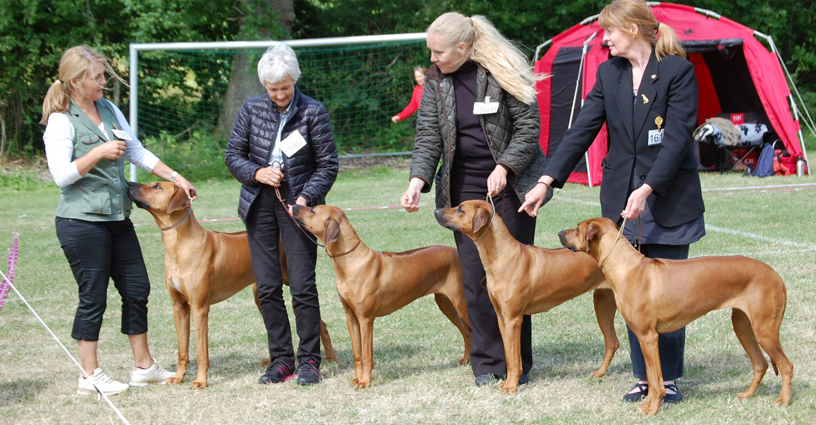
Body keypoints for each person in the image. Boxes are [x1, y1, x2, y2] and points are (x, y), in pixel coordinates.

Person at [520, 0, 705, 403]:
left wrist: (649, 188)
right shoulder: (609, 73)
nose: (604, 39)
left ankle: (668, 379)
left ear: (634, 29)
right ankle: (643, 377)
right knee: (630, 292)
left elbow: (676, 140)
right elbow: (581, 129)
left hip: (668, 198)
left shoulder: (678, 71)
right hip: (621, 201)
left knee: (668, 292)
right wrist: (546, 181)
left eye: (610, 31)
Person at [401, 12, 550, 387]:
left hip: (510, 186)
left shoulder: (501, 70)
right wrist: (418, 179)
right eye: (430, 52)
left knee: (514, 281)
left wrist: (506, 166)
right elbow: (428, 135)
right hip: (463, 188)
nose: (432, 59)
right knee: (475, 278)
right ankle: (487, 364)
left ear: (464, 48)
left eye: (439, 52)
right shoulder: (436, 81)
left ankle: (519, 364)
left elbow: (529, 129)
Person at [41, 46, 197, 395]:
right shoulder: (61, 120)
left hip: (117, 218)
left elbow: (137, 151)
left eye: (102, 76)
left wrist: (176, 176)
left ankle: (143, 366)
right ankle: (89, 375)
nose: (103, 83)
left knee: (137, 288)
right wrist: (97, 152)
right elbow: (60, 176)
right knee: (93, 297)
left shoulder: (109, 109)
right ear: (76, 81)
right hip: (80, 223)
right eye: (96, 78)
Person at [224, 43, 338, 386]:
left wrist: (306, 197)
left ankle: (309, 360)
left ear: (295, 80)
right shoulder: (250, 109)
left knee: (302, 286)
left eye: (285, 88)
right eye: (272, 89)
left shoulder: (313, 112)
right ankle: (281, 359)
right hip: (258, 207)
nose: (279, 95)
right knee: (268, 287)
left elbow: (328, 165)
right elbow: (233, 155)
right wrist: (257, 173)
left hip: (298, 210)